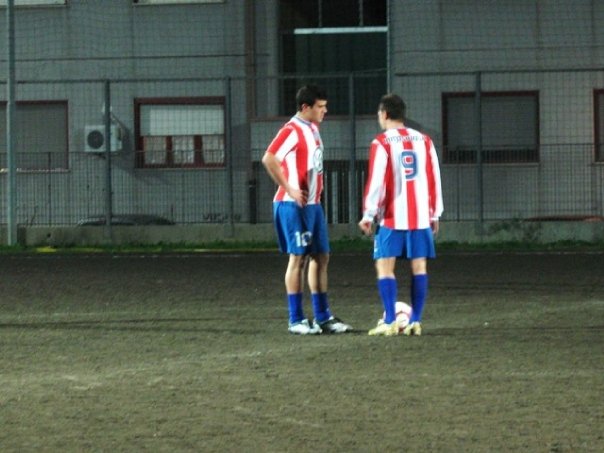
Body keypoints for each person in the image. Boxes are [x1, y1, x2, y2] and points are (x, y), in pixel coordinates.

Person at [262, 85, 352, 335]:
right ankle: (296, 319)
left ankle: (323, 317)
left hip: (312, 205)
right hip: (293, 205)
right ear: (305, 108)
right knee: (298, 258)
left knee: (322, 256)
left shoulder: (312, 128)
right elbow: (269, 158)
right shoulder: (291, 130)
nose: (325, 110)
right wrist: (289, 187)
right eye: (320, 106)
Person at [358, 93, 443, 336]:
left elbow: (376, 181)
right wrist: (434, 213)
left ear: (384, 114)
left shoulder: (382, 142)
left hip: (392, 216)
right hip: (419, 217)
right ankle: (415, 321)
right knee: (419, 267)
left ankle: (389, 320)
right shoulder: (424, 140)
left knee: (385, 266)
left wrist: (368, 214)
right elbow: (433, 177)